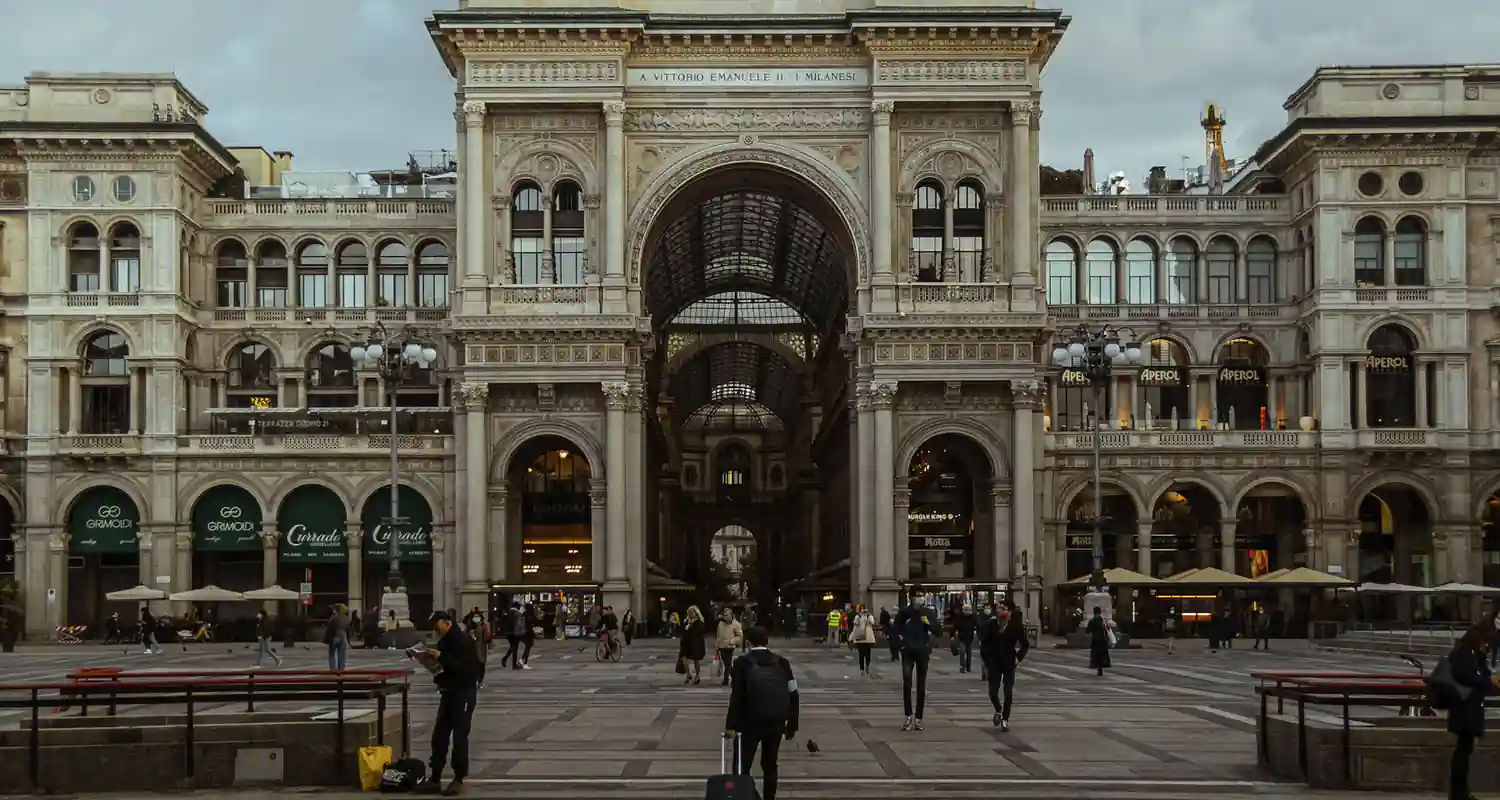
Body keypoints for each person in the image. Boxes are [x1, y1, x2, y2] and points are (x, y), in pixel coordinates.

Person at [724, 626, 800, 800]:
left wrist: (730, 726)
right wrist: (792, 724)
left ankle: (750, 796)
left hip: (748, 723)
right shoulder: (782, 662)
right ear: (768, 642)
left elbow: (737, 697)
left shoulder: (742, 663)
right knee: (770, 765)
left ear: (748, 643)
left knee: (741, 767)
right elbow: (793, 693)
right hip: (776, 723)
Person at [418, 611, 482, 796]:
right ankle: (435, 776)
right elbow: (446, 668)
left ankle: (458, 778)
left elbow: (466, 669)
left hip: (463, 692)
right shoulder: (445, 640)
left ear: (446, 622)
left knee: (460, 737)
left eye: (436, 625)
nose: (435, 630)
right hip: (448, 692)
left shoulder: (463, 641)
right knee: (439, 735)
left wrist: (440, 657)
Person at [979, 602, 1030, 731]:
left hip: (1009, 661)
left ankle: (1005, 719)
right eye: (999, 609)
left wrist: (1018, 657)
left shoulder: (1016, 627)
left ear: (1010, 613)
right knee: (993, 692)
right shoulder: (991, 625)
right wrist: (987, 661)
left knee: (1008, 692)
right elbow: (983, 645)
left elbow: (1025, 644)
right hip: (994, 662)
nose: (1001, 612)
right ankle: (998, 709)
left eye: (1004, 609)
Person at [894, 594, 938, 731]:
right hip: (908, 651)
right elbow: (895, 630)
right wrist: (901, 645)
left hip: (922, 652)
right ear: (911, 598)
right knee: (907, 682)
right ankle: (908, 715)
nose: (920, 599)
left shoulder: (928, 613)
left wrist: (928, 624)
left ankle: (919, 717)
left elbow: (938, 631)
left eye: (921, 596)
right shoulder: (904, 613)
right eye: (917, 596)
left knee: (921, 685)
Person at [678, 605, 707, 684]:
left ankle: (697, 676)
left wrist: (691, 625)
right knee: (684, 657)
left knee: (696, 659)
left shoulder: (700, 622)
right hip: (686, 642)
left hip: (696, 643)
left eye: (692, 612)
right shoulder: (686, 621)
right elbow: (682, 631)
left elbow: (698, 631)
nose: (690, 614)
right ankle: (688, 674)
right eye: (688, 612)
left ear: (696, 613)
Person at [715, 608, 743, 686]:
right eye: (724, 615)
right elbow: (718, 635)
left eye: (727, 615)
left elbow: (740, 636)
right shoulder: (721, 624)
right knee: (727, 663)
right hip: (721, 646)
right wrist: (717, 646)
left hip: (730, 646)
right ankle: (733, 677)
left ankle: (726, 679)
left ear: (731, 616)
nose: (725, 617)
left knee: (727, 663)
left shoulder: (736, 624)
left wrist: (732, 641)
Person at [1086, 607, 1113, 676]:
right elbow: (1108, 629)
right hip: (1103, 639)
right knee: (1102, 654)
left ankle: (1098, 667)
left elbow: (1088, 630)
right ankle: (1101, 667)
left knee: (1096, 654)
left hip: (1095, 640)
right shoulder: (1103, 620)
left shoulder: (1092, 620)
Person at [850, 606, 877, 676]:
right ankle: (862, 669)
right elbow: (855, 624)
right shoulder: (858, 616)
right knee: (862, 655)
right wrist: (860, 617)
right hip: (862, 638)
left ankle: (866, 666)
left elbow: (872, 622)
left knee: (866, 654)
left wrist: (867, 616)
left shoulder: (868, 616)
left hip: (866, 638)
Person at [324, 604, 349, 670]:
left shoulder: (334, 618)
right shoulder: (346, 618)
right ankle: (341, 669)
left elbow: (330, 628)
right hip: (343, 637)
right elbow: (348, 628)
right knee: (341, 655)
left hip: (335, 637)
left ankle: (333, 669)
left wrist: (326, 639)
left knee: (331, 654)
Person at [954, 604, 978, 674]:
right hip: (961, 637)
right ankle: (963, 666)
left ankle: (968, 667)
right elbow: (956, 626)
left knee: (969, 653)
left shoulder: (973, 617)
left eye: (969, 609)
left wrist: (976, 630)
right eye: (966, 609)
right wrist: (954, 634)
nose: (967, 611)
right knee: (962, 651)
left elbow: (976, 625)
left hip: (970, 638)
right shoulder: (960, 617)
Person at [500, 602, 524, 670]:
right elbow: (519, 624)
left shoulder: (507, 613)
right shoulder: (518, 614)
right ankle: (513, 664)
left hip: (507, 633)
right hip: (515, 633)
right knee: (515, 648)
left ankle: (505, 659)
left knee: (513, 647)